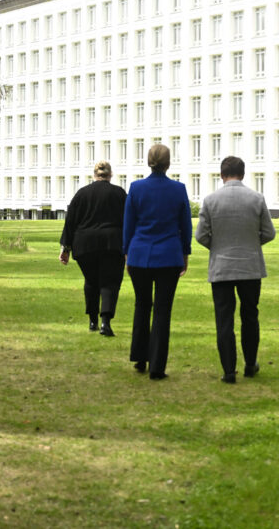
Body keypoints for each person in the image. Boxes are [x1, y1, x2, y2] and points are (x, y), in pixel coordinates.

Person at [195, 156, 276, 383]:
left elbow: (200, 235)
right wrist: (252, 243)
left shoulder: (210, 200)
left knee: (224, 319)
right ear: (243, 173)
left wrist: (217, 247)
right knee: (250, 316)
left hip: (221, 267)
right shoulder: (256, 198)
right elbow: (269, 233)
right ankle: (250, 363)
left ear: (222, 175)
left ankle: (229, 370)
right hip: (250, 265)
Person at [123, 144, 191, 380]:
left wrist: (126, 253)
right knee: (163, 310)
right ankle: (157, 366)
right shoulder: (178, 189)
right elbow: (185, 225)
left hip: (140, 253)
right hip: (169, 255)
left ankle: (140, 357)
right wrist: (185, 254)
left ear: (148, 161)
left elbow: (128, 224)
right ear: (168, 163)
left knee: (142, 305)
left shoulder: (136, 188)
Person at [59, 161, 128, 336]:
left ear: (94, 175)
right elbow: (129, 221)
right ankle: (105, 322)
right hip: (112, 243)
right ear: (110, 175)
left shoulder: (82, 194)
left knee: (91, 281)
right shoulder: (119, 193)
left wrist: (65, 248)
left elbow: (70, 222)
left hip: (85, 244)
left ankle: (92, 321)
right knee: (110, 282)